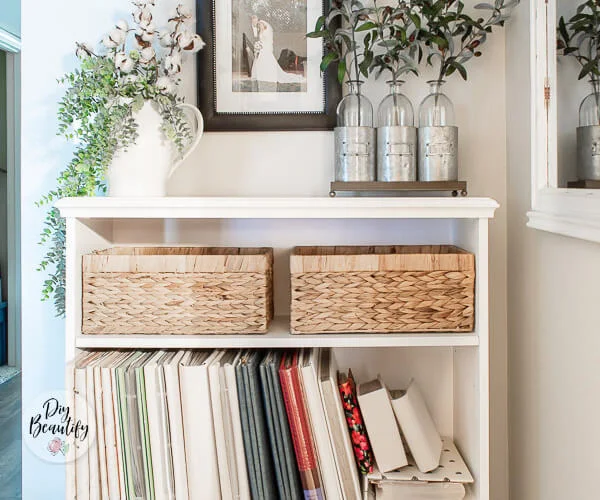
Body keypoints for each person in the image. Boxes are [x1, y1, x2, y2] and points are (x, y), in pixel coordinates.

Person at [250, 19, 305, 84]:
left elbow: (269, 41)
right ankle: (262, 75)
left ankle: (269, 76)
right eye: (259, 25)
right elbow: (257, 37)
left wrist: (263, 46)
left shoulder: (267, 31)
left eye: (261, 24)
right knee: (260, 61)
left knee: (268, 62)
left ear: (264, 25)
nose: (260, 26)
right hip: (261, 49)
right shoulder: (260, 31)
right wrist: (258, 46)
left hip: (265, 48)